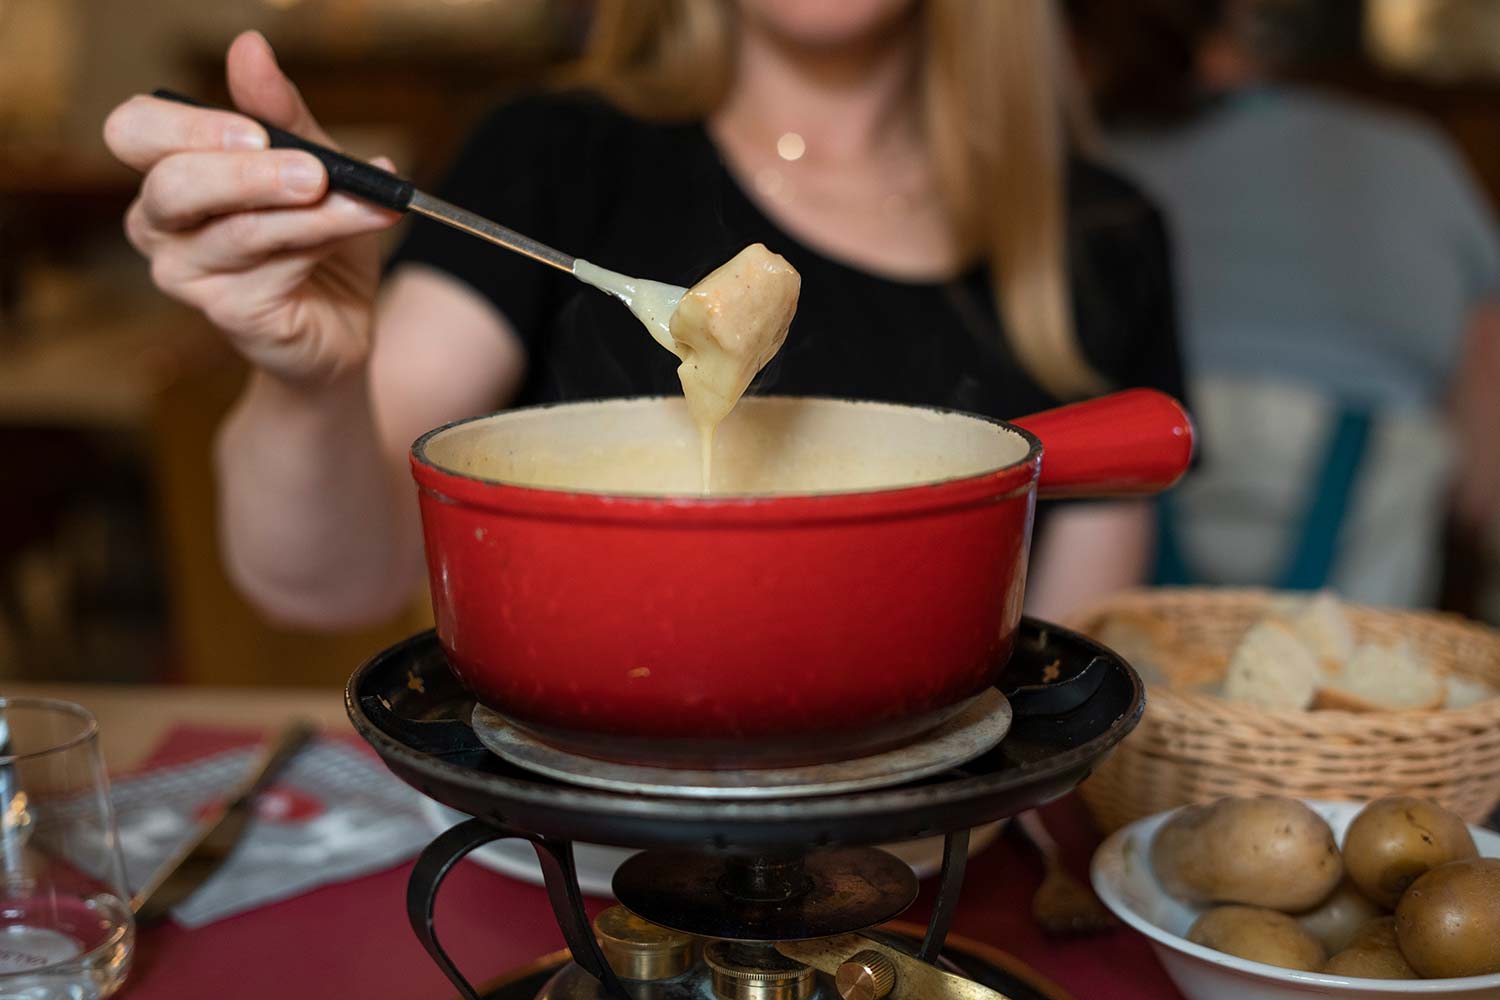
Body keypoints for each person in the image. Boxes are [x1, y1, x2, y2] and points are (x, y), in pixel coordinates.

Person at [103, 0, 1186, 631]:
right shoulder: (553, 154)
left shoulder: (1097, 234)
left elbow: (1062, 660)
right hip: (558, 848)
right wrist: (312, 380)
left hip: (920, 851)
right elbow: (326, 582)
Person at [1068, 0, 1500, 607]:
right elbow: (1486, 438)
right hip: (1374, 467)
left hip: (1142, 455)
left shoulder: (1097, 159)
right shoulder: (1413, 152)